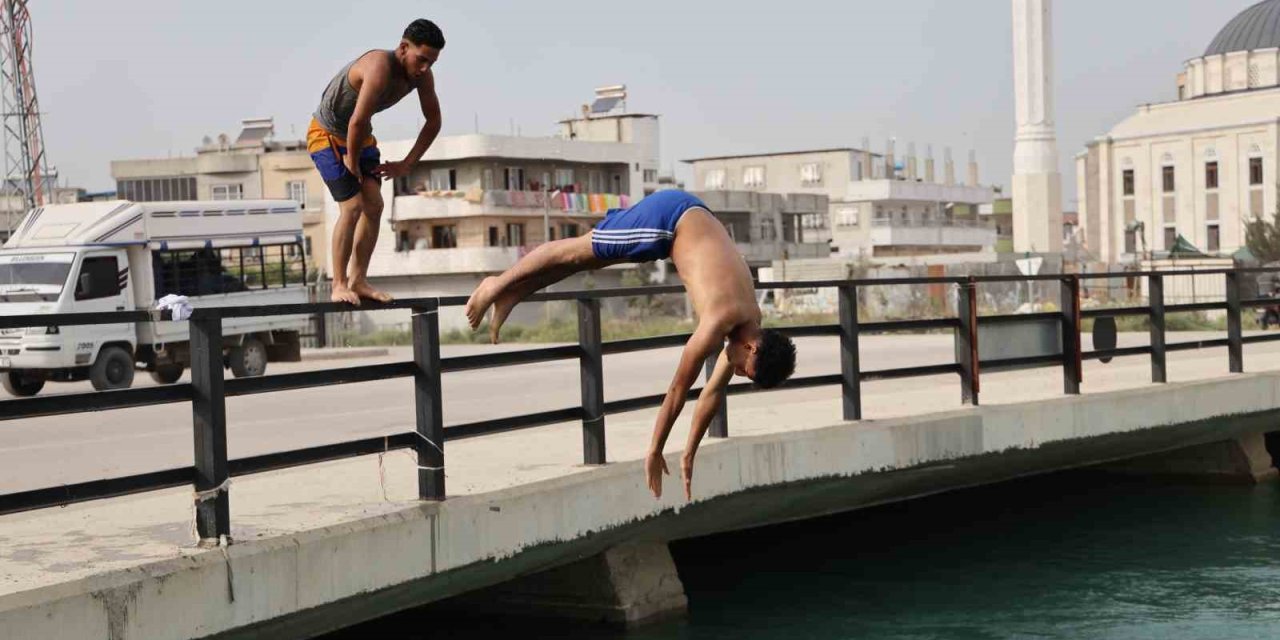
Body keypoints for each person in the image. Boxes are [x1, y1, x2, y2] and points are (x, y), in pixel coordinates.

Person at [464, 190, 797, 500]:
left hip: (687, 222)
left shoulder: (751, 321)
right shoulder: (718, 322)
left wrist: (688, 454)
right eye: (745, 371)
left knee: (588, 260)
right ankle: (497, 283)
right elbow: (677, 393)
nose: (737, 372)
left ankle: (512, 293)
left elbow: (712, 393)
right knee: (576, 251)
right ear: (753, 348)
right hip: (669, 220)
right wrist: (654, 450)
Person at [308, 18, 445, 305]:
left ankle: (358, 281)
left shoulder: (422, 77)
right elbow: (356, 121)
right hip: (328, 135)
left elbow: (433, 121)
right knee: (352, 206)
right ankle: (339, 284)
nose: (424, 68)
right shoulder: (379, 67)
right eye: (421, 59)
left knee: (375, 205)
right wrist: (351, 163)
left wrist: (406, 164)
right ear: (403, 48)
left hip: (361, 137)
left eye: (431, 63)